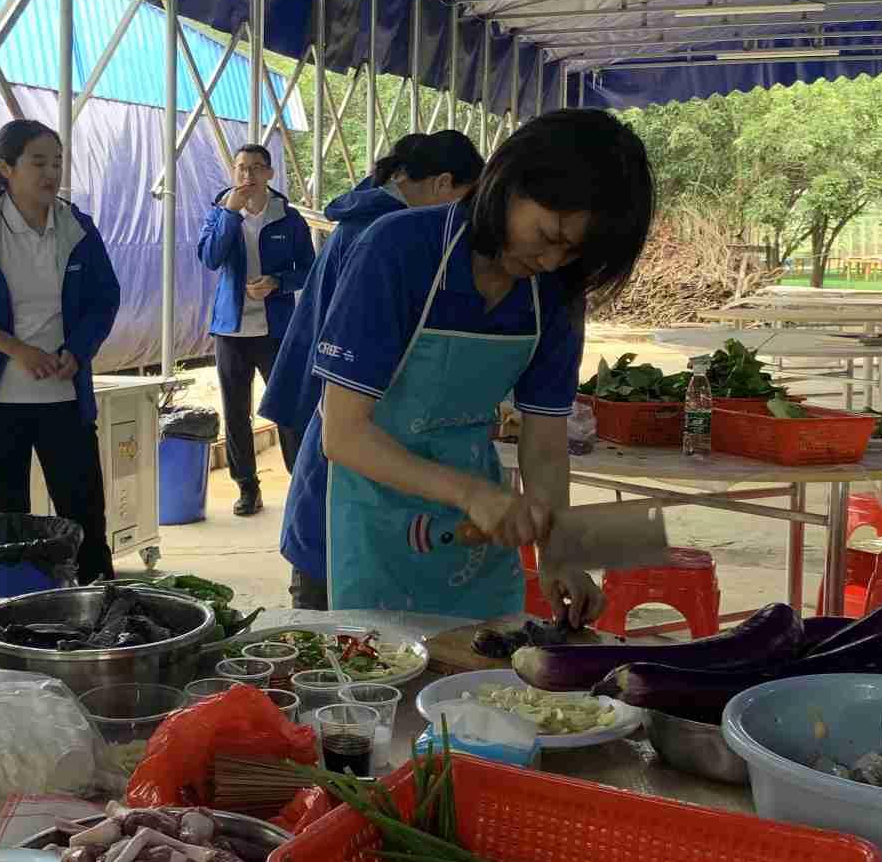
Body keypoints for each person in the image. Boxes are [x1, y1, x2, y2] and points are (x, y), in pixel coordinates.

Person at [279, 109, 653, 618]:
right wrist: (472, 493)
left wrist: (559, 551)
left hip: (469, 534)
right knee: (365, 665)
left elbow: (545, 442)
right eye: (548, 237)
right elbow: (343, 435)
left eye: (572, 254)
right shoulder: (398, 249)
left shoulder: (555, 291)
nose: (550, 263)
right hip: (351, 521)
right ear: (509, 183)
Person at [264, 129, 485, 609]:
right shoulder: (388, 234)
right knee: (331, 524)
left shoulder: (365, 217)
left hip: (323, 391)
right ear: (443, 184)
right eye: (466, 203)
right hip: (341, 400)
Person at [0, 119, 122, 583]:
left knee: (84, 514)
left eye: (57, 162)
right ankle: (16, 608)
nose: (51, 172)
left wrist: (78, 351)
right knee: (6, 520)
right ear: (5, 169)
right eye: (38, 162)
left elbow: (104, 299)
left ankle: (99, 602)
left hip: (63, 398)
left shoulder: (77, 227)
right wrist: (15, 349)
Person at [196, 143, 316, 517]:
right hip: (230, 329)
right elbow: (210, 258)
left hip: (275, 329)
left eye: (256, 168)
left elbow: (309, 269)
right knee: (235, 411)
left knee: (287, 406)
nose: (247, 175)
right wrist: (230, 214)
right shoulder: (220, 212)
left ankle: (301, 482)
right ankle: (247, 487)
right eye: (241, 168)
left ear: (269, 174)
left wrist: (277, 282)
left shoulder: (288, 218)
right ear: (234, 171)